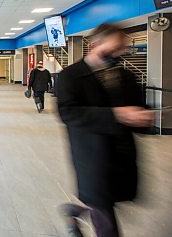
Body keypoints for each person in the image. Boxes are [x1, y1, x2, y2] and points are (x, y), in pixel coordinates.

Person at [57, 23, 154, 237]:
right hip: (91, 155)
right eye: (114, 48)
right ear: (95, 45)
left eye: (122, 49)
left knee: (109, 199)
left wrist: (145, 117)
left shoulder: (127, 76)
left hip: (122, 154)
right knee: (105, 217)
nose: (119, 54)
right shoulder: (70, 77)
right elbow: (68, 113)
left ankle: (75, 211)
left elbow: (138, 106)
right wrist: (117, 114)